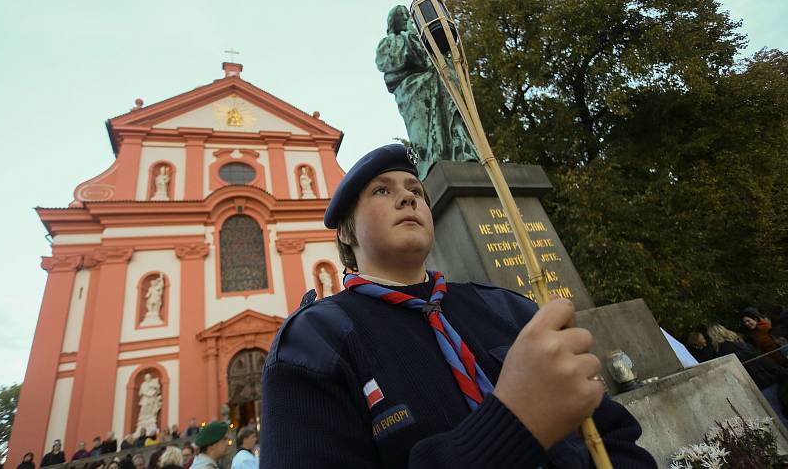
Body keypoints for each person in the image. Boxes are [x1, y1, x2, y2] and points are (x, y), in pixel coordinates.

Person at [260, 144, 656, 467]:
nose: (406, 197)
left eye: (415, 191)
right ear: (346, 233)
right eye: (382, 190)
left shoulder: (508, 308)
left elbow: (614, 435)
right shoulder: (312, 345)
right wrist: (512, 425)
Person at [706, 323, 788, 427]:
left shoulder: (724, 351)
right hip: (770, 377)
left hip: (760, 383)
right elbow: (759, 358)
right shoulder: (738, 342)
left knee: (778, 416)